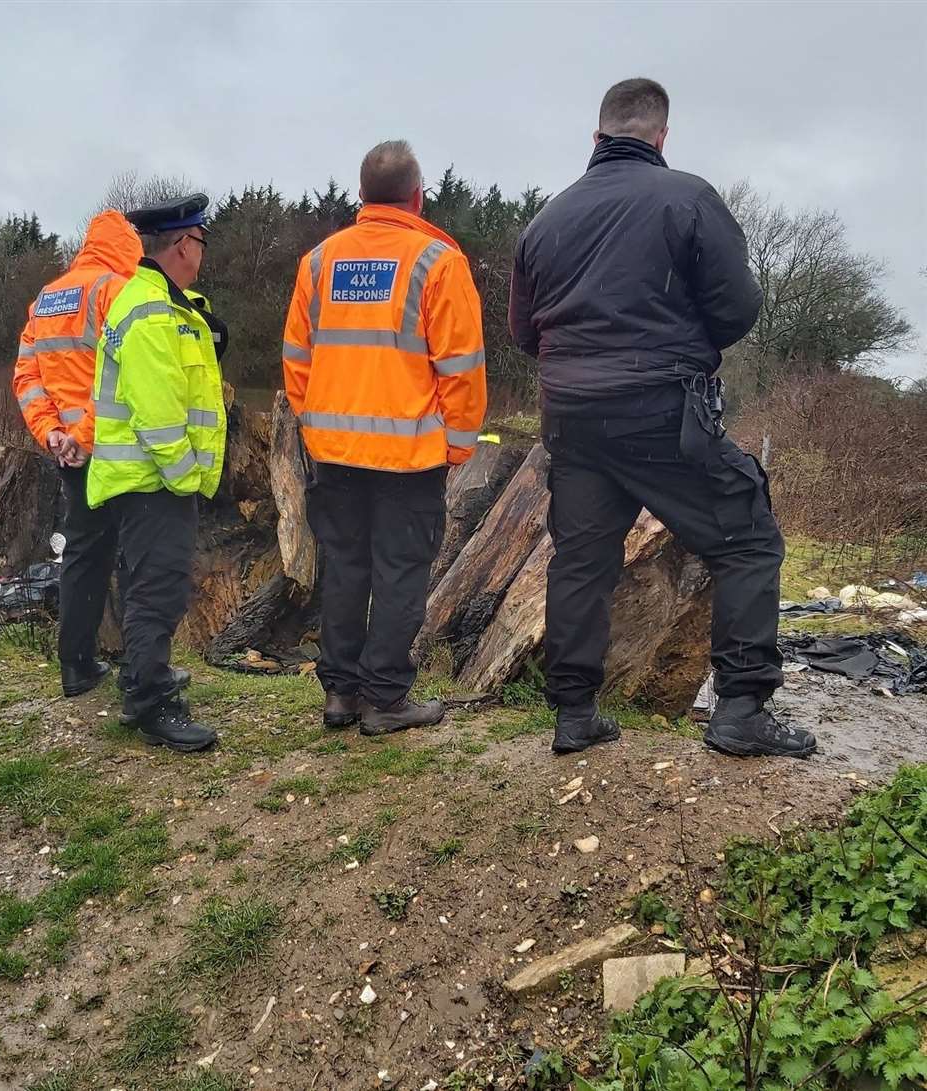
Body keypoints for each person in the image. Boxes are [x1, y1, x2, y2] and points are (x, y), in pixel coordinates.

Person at [509, 78, 816, 759]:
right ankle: (740, 709)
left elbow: (526, 335)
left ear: (597, 137)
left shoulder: (545, 221)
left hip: (573, 417)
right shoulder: (688, 198)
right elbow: (738, 309)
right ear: (661, 135)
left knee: (581, 560)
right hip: (661, 410)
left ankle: (573, 713)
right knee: (748, 536)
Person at [283, 140, 487, 736]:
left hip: (334, 453)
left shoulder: (319, 262)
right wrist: (458, 443)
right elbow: (462, 365)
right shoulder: (438, 261)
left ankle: (341, 695)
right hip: (410, 456)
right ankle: (386, 699)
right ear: (418, 197)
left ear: (362, 197)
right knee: (399, 572)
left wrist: (314, 422)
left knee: (345, 567)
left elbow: (296, 359)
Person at [87, 194, 229, 753]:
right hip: (154, 483)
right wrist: (185, 474)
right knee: (158, 593)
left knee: (147, 587)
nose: (202, 253)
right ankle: (152, 703)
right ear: (182, 245)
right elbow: (158, 410)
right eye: (201, 242)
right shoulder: (148, 311)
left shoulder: (168, 304)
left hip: (151, 482)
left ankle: (140, 680)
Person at [12, 210, 142, 698]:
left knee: (84, 552)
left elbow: (27, 378)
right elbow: (121, 376)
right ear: (127, 247)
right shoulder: (116, 291)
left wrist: (52, 434)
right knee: (136, 554)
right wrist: (83, 435)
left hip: (67, 452)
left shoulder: (46, 298)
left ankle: (76, 666)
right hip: (114, 446)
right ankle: (140, 670)